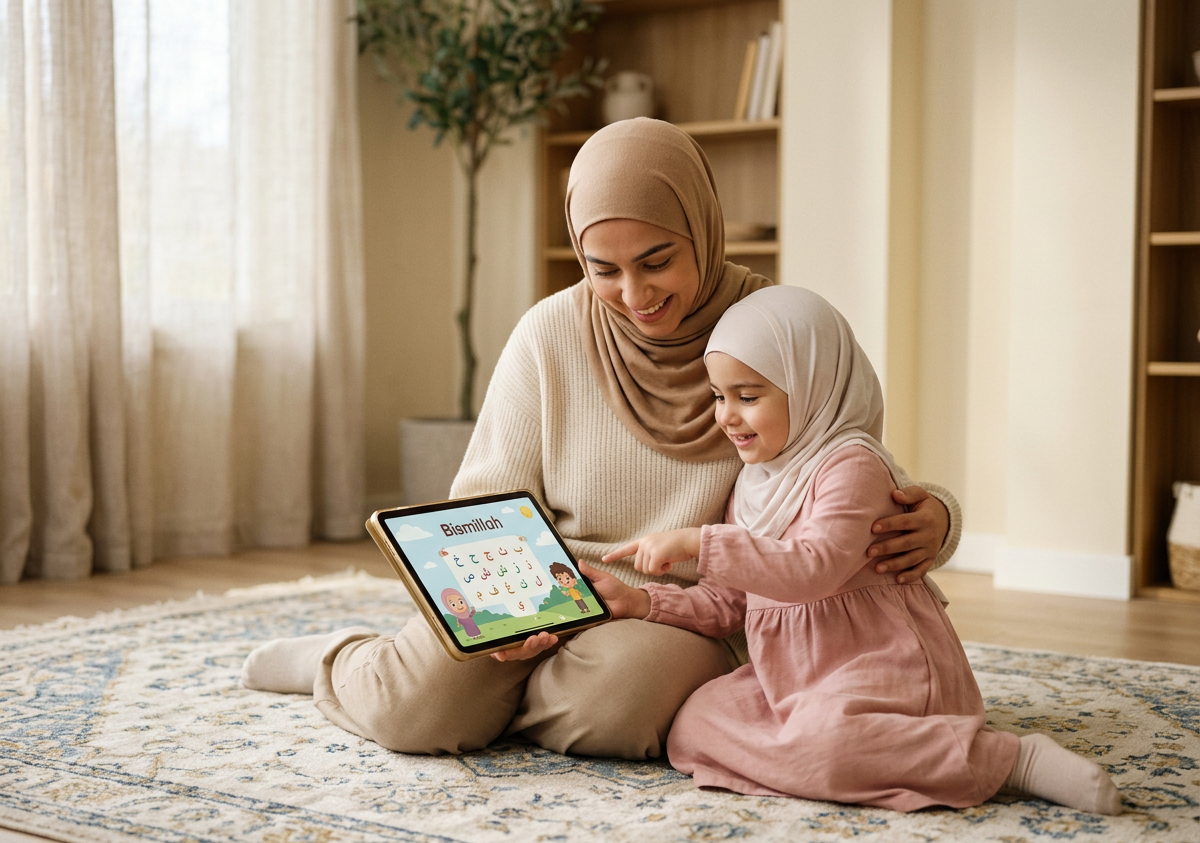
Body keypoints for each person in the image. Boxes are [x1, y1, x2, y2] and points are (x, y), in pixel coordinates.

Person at [240, 117, 961, 760]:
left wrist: (940, 517)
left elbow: (847, 467)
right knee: (414, 713)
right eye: (602, 268)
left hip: (680, 610)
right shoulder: (551, 332)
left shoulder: (767, 330)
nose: (633, 294)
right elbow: (485, 500)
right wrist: (510, 609)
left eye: (656, 261)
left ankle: (480, 700)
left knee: (617, 711)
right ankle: (349, 662)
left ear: (703, 227)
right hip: (544, 588)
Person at [583, 285, 1122, 815]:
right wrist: (642, 603)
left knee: (828, 744)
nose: (726, 415)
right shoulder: (752, 485)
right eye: (719, 396)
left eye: (748, 397)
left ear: (812, 384)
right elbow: (730, 605)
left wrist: (699, 543)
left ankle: (1010, 761)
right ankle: (827, 756)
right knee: (695, 723)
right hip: (793, 677)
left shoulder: (851, 464)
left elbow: (814, 568)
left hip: (879, 663)